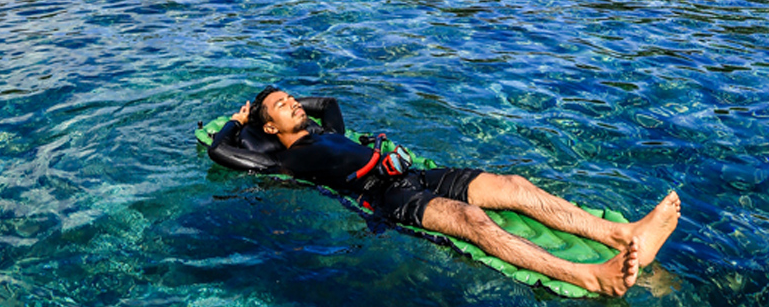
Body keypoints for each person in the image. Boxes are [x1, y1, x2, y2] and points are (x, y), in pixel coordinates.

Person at [208, 87, 681, 298]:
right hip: (382, 195)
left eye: (292, 98)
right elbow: (221, 152)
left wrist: (289, 105)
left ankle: (623, 232)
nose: (294, 103)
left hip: (409, 171)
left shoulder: (328, 129)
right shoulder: (281, 159)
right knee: (473, 223)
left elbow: (329, 102)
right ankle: (589, 277)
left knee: (513, 186)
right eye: (282, 105)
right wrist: (239, 117)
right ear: (268, 125)